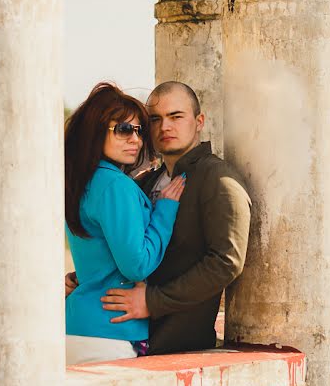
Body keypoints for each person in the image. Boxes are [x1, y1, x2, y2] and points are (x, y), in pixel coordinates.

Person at [66, 81, 252, 355]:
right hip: (121, 335)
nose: (165, 127)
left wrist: (153, 301)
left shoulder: (218, 179)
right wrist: (85, 278)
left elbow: (226, 262)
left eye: (176, 117)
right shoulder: (139, 182)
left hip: (174, 341)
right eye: (155, 119)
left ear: (199, 121)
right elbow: (124, 250)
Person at [64, 82, 185, 364]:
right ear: (95, 132)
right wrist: (164, 213)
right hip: (108, 333)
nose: (136, 140)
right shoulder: (115, 186)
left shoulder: (82, 182)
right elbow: (136, 265)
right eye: (123, 130)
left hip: (77, 328)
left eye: (139, 131)